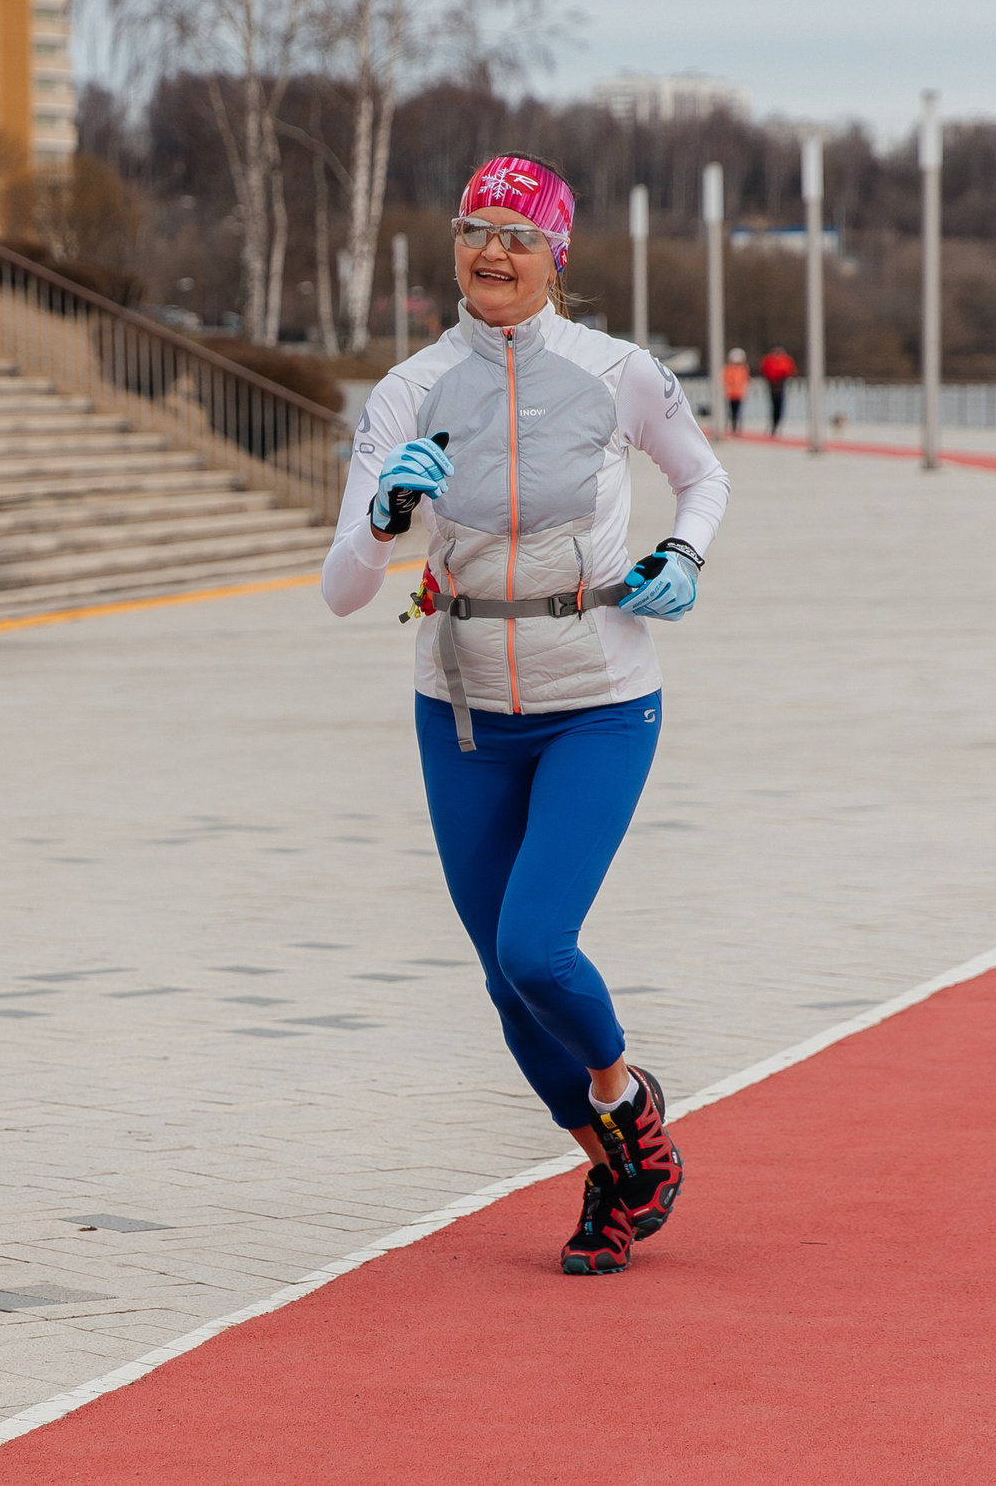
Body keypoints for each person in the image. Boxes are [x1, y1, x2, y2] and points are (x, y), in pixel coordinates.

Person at [321, 151, 730, 1274]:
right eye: (475, 230)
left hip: (597, 699)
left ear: (558, 254)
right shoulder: (408, 390)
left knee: (535, 949)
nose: (492, 252)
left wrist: (684, 555)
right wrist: (384, 518)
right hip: (459, 714)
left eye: (518, 234)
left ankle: (624, 1099)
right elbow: (344, 588)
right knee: (505, 984)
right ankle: (616, 1171)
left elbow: (704, 476)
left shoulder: (619, 372)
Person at [757, 344, 797, 436]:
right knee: (775, 404)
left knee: (778, 404)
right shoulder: (769, 360)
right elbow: (763, 370)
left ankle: (776, 424)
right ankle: (774, 424)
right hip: (773, 383)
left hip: (780, 383)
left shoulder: (784, 360)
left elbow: (790, 370)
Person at [721, 346, 749, 436]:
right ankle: (732, 427)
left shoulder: (743, 369)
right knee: (731, 411)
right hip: (730, 394)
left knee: (738, 411)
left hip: (739, 393)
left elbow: (745, 380)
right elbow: (725, 380)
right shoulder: (728, 369)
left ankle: (736, 427)